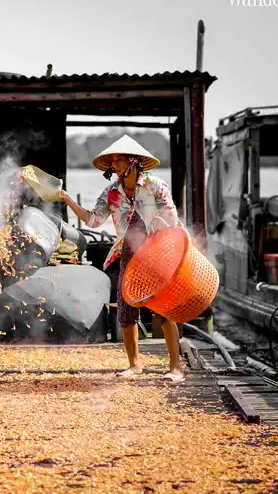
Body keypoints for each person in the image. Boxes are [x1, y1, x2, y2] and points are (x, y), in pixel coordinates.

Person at [57, 135, 185, 382]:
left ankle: (175, 368)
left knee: (162, 309)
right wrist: (67, 200)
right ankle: (135, 365)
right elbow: (93, 219)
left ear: (133, 160)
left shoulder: (155, 186)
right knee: (126, 309)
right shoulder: (112, 192)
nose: (114, 165)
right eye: (112, 161)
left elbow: (172, 218)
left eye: (118, 159)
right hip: (127, 253)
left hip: (156, 252)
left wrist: (160, 223)